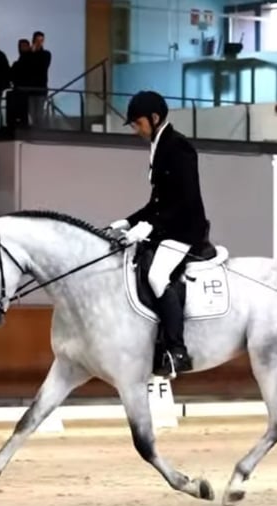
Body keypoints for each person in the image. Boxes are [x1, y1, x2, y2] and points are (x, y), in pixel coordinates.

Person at [109, 90, 210, 375]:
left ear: (154, 118)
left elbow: (184, 201)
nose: (135, 130)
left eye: (137, 123)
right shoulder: (159, 145)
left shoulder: (179, 148)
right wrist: (127, 223)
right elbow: (157, 202)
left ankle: (177, 350)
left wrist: (150, 227)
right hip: (167, 229)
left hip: (185, 230)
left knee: (156, 276)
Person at [28, 31, 51, 126]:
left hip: (41, 88)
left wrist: (34, 54)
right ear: (33, 41)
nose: (39, 43)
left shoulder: (46, 54)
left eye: (41, 40)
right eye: (37, 40)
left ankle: (39, 132)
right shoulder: (28, 55)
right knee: (31, 114)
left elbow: (42, 66)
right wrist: (31, 53)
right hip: (29, 89)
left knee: (39, 114)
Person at [8, 38, 33, 127]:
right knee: (20, 115)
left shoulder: (34, 60)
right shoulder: (17, 63)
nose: (23, 48)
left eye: (25, 46)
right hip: (19, 92)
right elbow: (10, 75)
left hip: (32, 92)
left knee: (33, 116)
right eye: (22, 46)